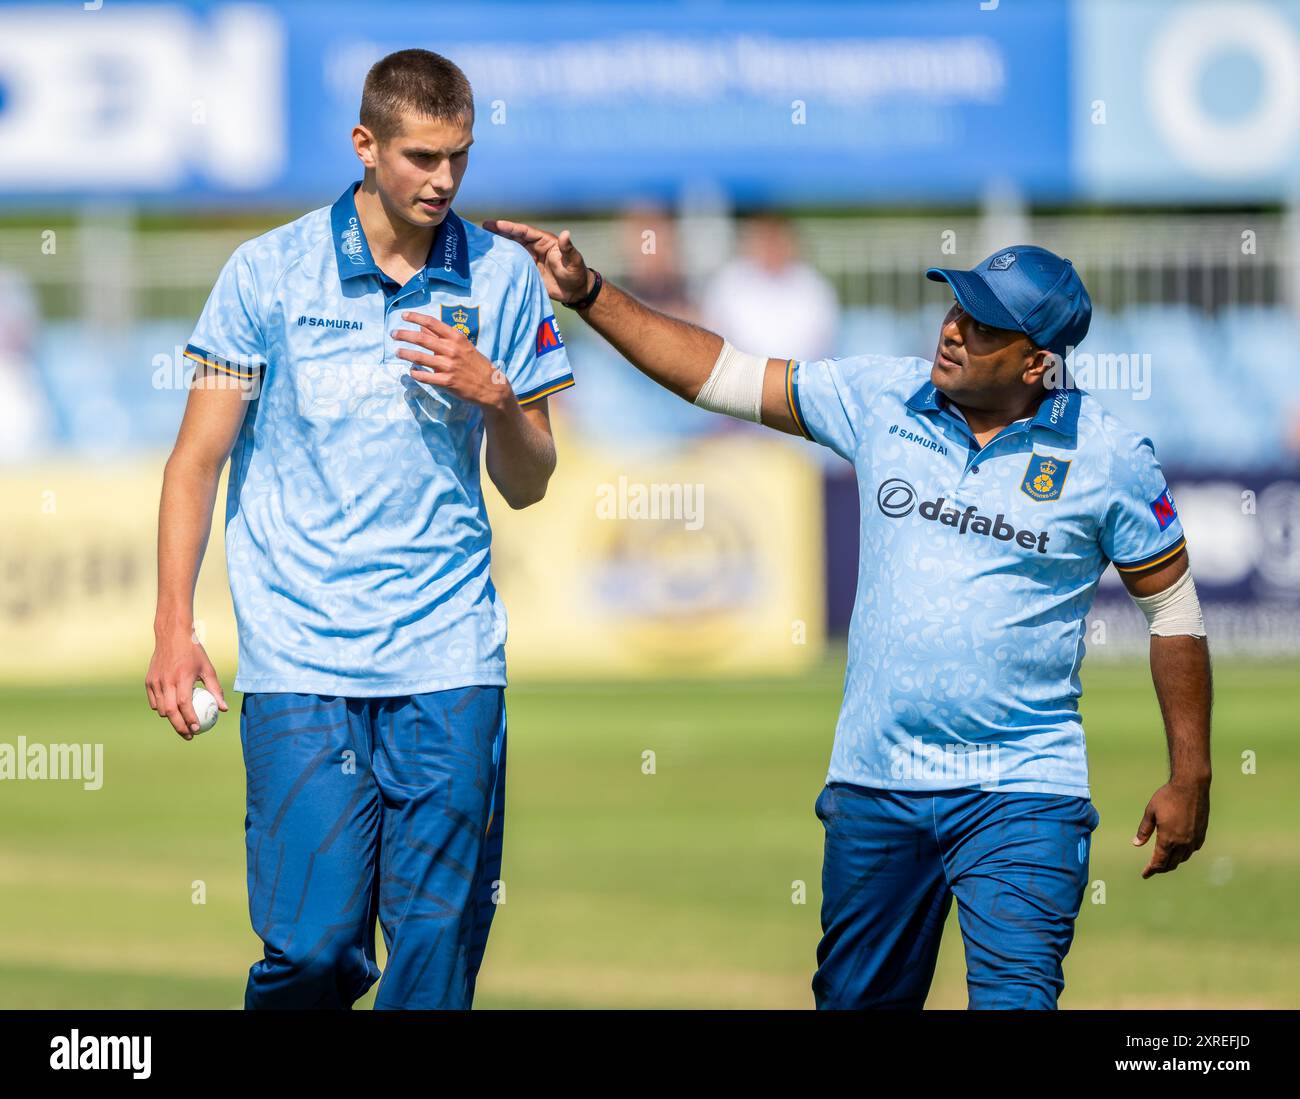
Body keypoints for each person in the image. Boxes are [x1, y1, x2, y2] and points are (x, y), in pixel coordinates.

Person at [485, 221, 1212, 1010]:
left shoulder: (1110, 457)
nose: (955, 330)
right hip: (876, 786)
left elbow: (1172, 609)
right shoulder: (883, 396)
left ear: (1039, 360)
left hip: (1024, 789)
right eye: (956, 310)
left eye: (985, 325)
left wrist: (1191, 770)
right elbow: (719, 373)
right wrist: (590, 292)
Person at [146, 49, 574, 1010]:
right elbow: (194, 464)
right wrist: (176, 627)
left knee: (435, 958)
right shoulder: (266, 270)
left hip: (449, 661)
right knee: (314, 950)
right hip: (300, 665)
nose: (446, 180)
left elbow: (531, 480)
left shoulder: (502, 277)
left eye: (460, 156)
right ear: (365, 145)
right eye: (423, 157)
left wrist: (498, 397)